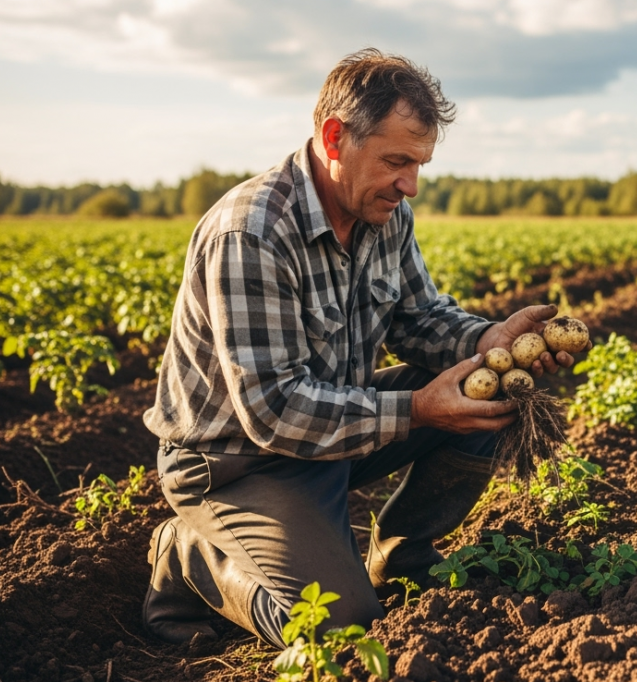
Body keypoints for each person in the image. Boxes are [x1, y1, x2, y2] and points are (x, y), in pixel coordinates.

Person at [140, 48, 576, 647]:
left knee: (489, 389)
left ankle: (400, 564)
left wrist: (486, 340)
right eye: (398, 161)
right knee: (340, 630)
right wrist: (418, 409)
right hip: (238, 462)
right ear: (334, 137)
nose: (411, 185)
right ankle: (189, 555)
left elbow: (419, 319)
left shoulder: (384, 214)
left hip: (333, 433)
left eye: (419, 164)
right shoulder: (253, 233)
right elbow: (273, 410)